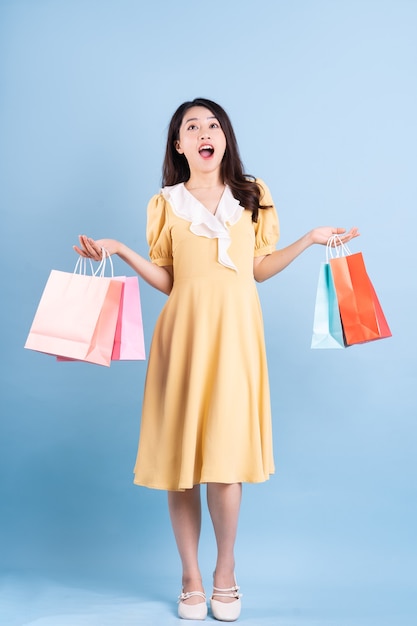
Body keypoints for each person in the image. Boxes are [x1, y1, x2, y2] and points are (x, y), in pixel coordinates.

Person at [75, 97, 359, 622]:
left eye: (213, 125)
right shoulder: (165, 204)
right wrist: (120, 249)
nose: (204, 132)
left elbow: (258, 269)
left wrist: (310, 239)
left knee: (225, 464)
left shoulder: (252, 195)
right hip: (182, 337)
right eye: (192, 126)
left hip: (236, 338)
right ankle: (190, 577)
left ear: (223, 138)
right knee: (183, 466)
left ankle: (225, 571)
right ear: (179, 144)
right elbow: (169, 281)